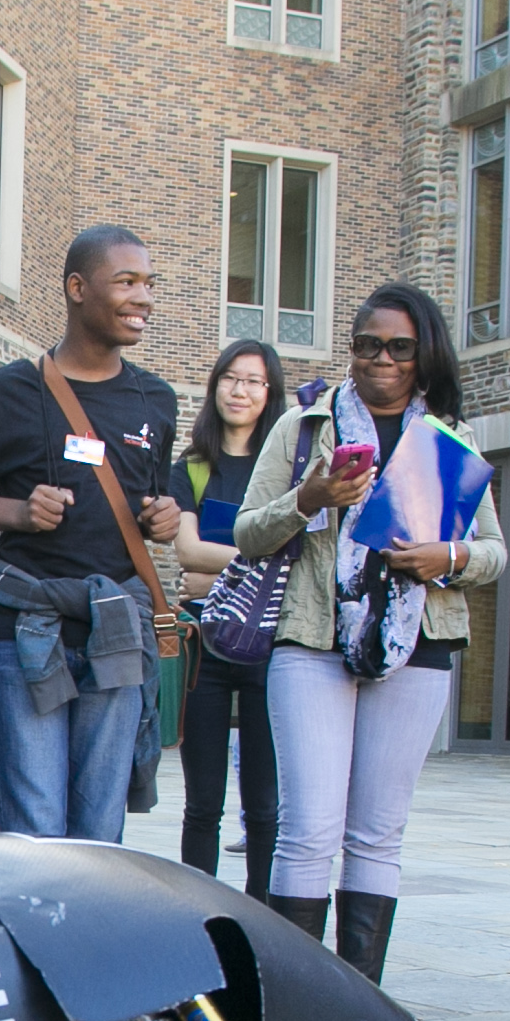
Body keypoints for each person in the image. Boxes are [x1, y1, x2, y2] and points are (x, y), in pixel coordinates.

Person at [231, 283, 508, 978]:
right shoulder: (303, 427)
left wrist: (448, 557)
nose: (381, 358)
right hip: (312, 638)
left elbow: (494, 552)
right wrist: (309, 498)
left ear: (424, 354)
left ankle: (359, 1001)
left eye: (399, 347)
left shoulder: (446, 437)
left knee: (378, 836)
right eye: (367, 344)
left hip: (419, 642)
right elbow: (247, 532)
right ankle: (296, 999)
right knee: (308, 831)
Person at [0, 227, 216, 842]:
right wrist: (19, 513)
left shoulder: (156, 400)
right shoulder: (5, 391)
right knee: (34, 832)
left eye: (148, 283)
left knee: (98, 833)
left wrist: (162, 518)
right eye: (126, 282)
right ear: (77, 288)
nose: (144, 298)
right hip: (22, 630)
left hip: (115, 630)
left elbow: (146, 501)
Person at [176, 342, 286, 897]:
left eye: (254, 382)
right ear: (215, 384)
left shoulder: (285, 469)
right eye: (230, 378)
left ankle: (261, 912)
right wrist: (254, 562)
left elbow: (294, 553)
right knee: (202, 804)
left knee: (265, 805)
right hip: (205, 649)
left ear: (270, 393)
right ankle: (199, 910)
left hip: (272, 645)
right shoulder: (192, 468)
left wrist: (215, 579)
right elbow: (187, 551)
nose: (240, 391)